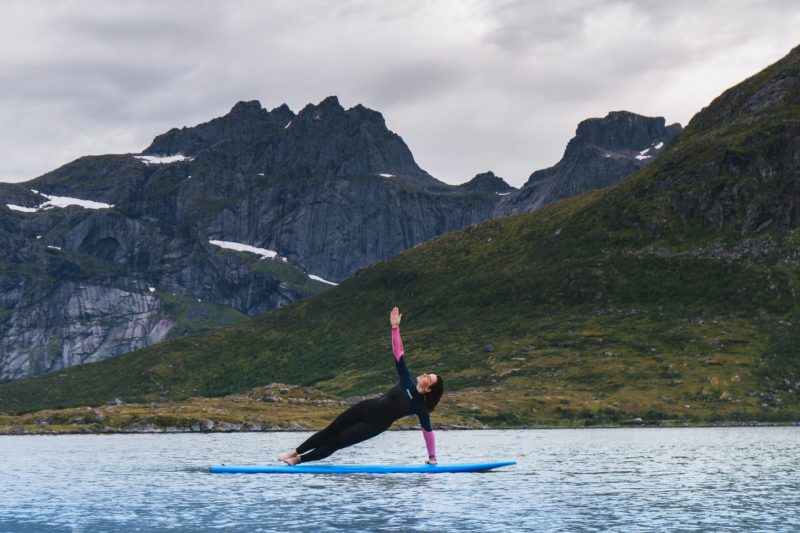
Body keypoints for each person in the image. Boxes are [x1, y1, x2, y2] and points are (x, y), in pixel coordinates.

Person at [277, 306, 444, 465]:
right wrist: (395, 328)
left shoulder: (420, 407)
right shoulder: (406, 380)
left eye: (428, 378)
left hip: (372, 426)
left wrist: (432, 457)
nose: (424, 374)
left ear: (428, 388)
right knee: (329, 431)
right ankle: (295, 452)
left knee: (335, 443)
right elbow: (398, 352)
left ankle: (299, 460)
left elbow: (428, 433)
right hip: (364, 408)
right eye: (427, 374)